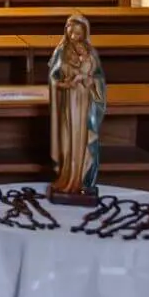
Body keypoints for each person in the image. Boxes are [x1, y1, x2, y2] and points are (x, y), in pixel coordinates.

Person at [48, 13, 106, 201]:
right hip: (67, 101)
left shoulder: (90, 52)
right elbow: (54, 77)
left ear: (84, 34)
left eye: (78, 34)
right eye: (71, 33)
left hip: (83, 102)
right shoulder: (61, 51)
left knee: (81, 139)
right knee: (67, 139)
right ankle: (66, 177)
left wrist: (88, 80)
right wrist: (65, 84)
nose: (74, 37)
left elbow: (98, 78)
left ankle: (80, 179)